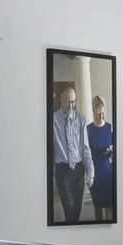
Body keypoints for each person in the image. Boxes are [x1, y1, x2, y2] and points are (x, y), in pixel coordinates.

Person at [48, 81, 92, 223]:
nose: (72, 106)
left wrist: (90, 172)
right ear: (62, 100)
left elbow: (85, 147)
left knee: (77, 209)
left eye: (74, 102)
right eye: (69, 102)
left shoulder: (81, 119)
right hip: (63, 170)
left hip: (79, 170)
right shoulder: (52, 119)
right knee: (69, 208)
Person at [86, 95, 115, 222]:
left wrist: (112, 151)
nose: (101, 117)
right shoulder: (88, 130)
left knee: (110, 208)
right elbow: (86, 153)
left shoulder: (110, 128)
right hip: (95, 174)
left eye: (103, 114)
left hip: (108, 173)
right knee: (97, 208)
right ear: (93, 112)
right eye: (98, 114)